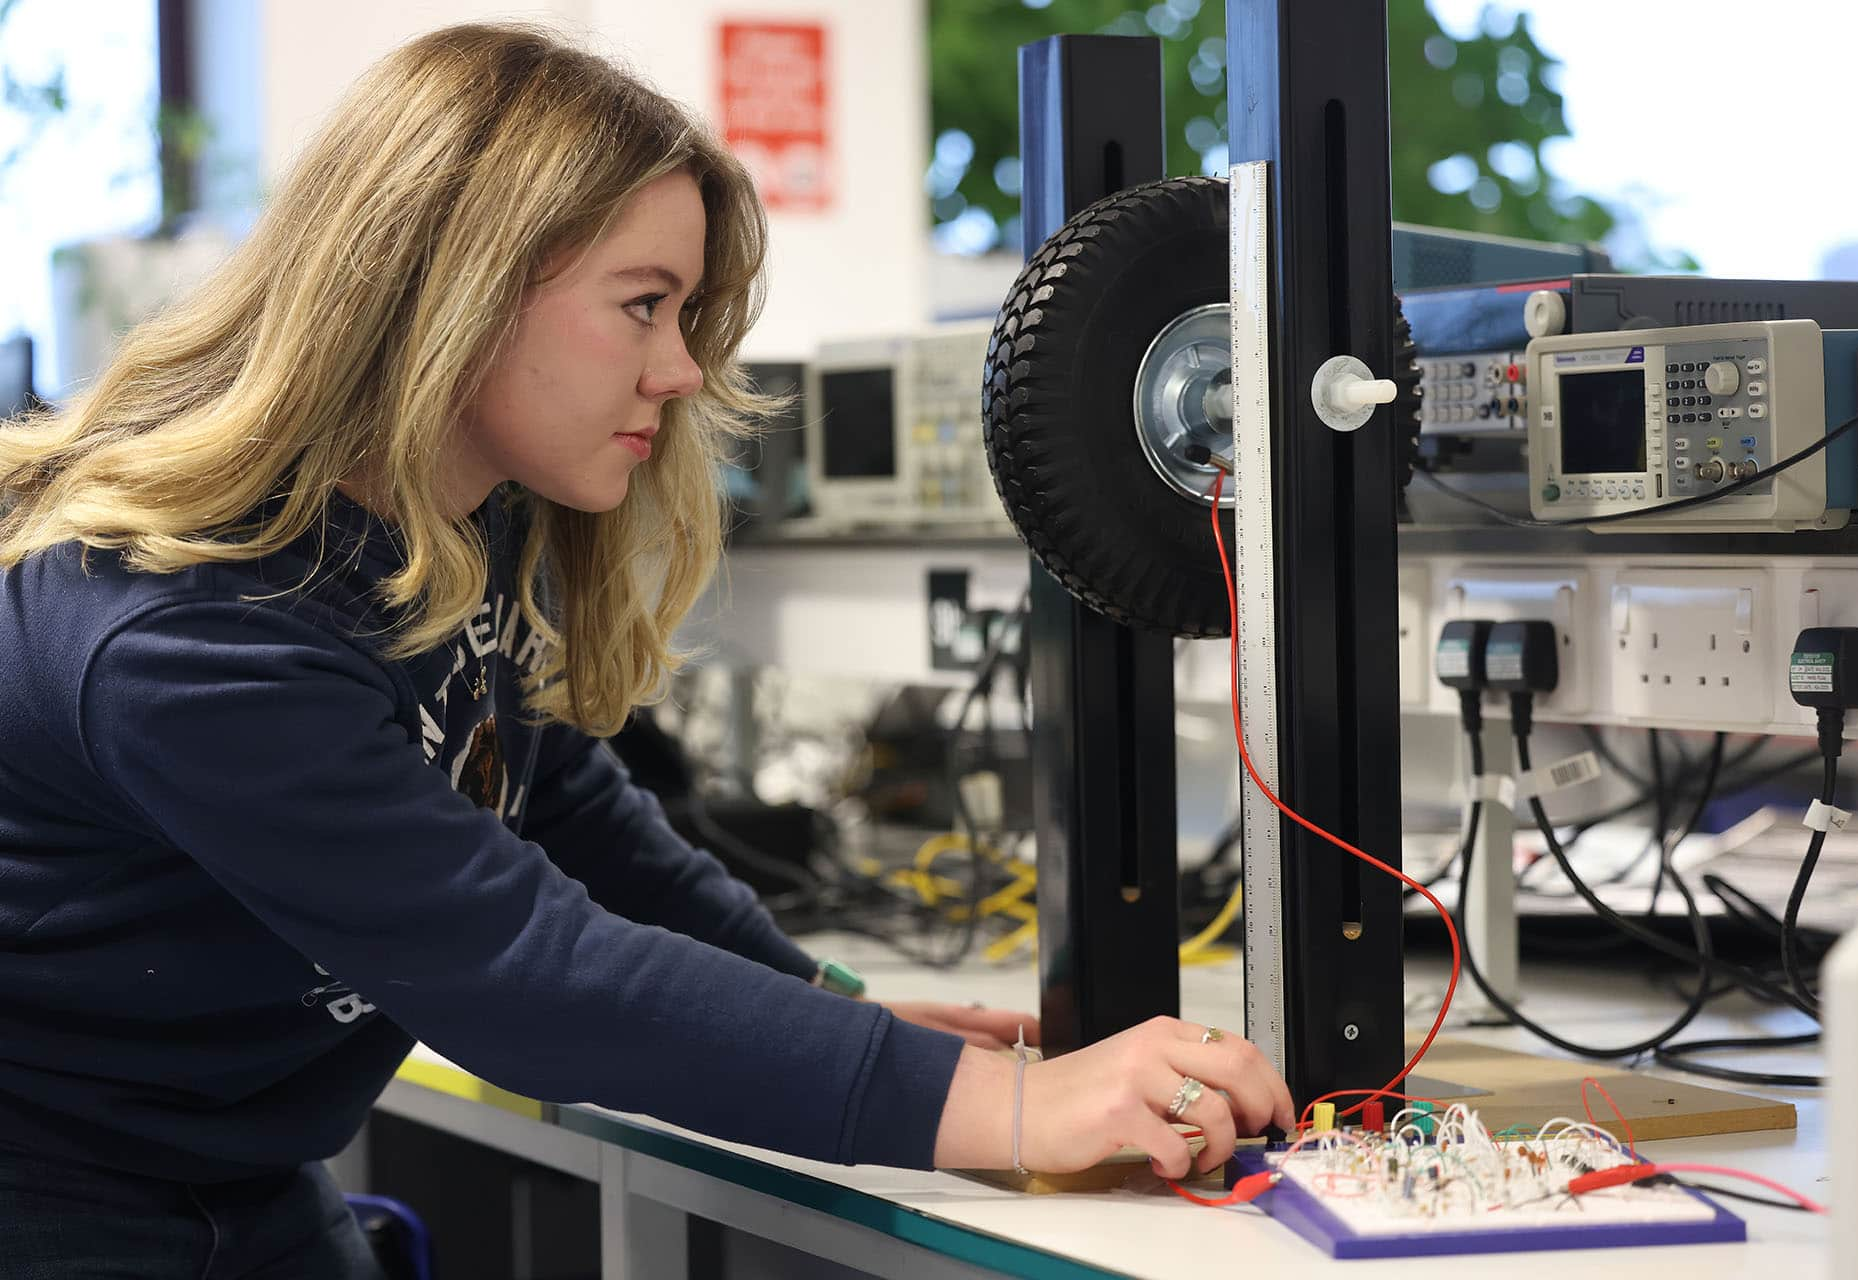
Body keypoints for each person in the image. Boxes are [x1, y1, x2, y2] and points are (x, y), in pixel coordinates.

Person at [0, 23, 1294, 1276]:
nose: (679, 370)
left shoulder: (456, 515)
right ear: (454, 289)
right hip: (52, 1189)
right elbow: (525, 976)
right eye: (644, 305)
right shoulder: (184, 619)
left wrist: (826, 1006)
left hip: (236, 1170)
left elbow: (557, 805)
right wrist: (1013, 1113)